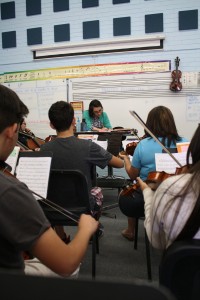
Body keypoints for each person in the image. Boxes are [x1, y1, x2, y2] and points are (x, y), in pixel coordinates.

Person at [0, 84, 98, 277]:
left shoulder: (43, 150)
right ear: (12, 130)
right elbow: (66, 263)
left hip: (49, 208)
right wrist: (85, 230)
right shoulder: (9, 191)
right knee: (72, 269)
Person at [40, 100, 124, 241]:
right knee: (96, 191)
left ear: (51, 125)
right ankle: (91, 229)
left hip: (51, 208)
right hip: (83, 208)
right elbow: (119, 164)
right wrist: (124, 158)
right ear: (73, 121)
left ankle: (60, 235)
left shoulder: (43, 149)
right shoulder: (88, 146)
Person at [118, 106, 188, 241]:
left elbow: (133, 175)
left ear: (150, 124)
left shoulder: (143, 145)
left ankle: (130, 230)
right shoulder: (184, 142)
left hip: (147, 196)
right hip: (178, 197)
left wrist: (126, 159)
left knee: (129, 189)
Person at [137, 124, 200, 249]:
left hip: (183, 266)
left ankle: (130, 230)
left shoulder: (171, 189)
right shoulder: (183, 141)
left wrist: (148, 194)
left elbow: (157, 242)